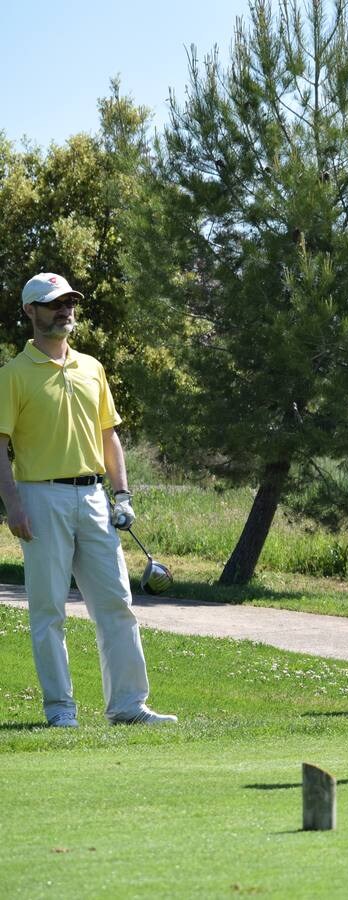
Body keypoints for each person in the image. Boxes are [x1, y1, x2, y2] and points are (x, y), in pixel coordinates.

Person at [0, 273, 177, 728]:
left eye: (69, 303)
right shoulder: (13, 375)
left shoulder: (91, 367)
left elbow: (108, 435)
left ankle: (128, 706)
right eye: (54, 303)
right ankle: (61, 712)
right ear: (30, 311)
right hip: (40, 497)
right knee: (48, 610)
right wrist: (13, 504)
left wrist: (122, 493)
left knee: (117, 602)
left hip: (94, 496)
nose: (65, 310)